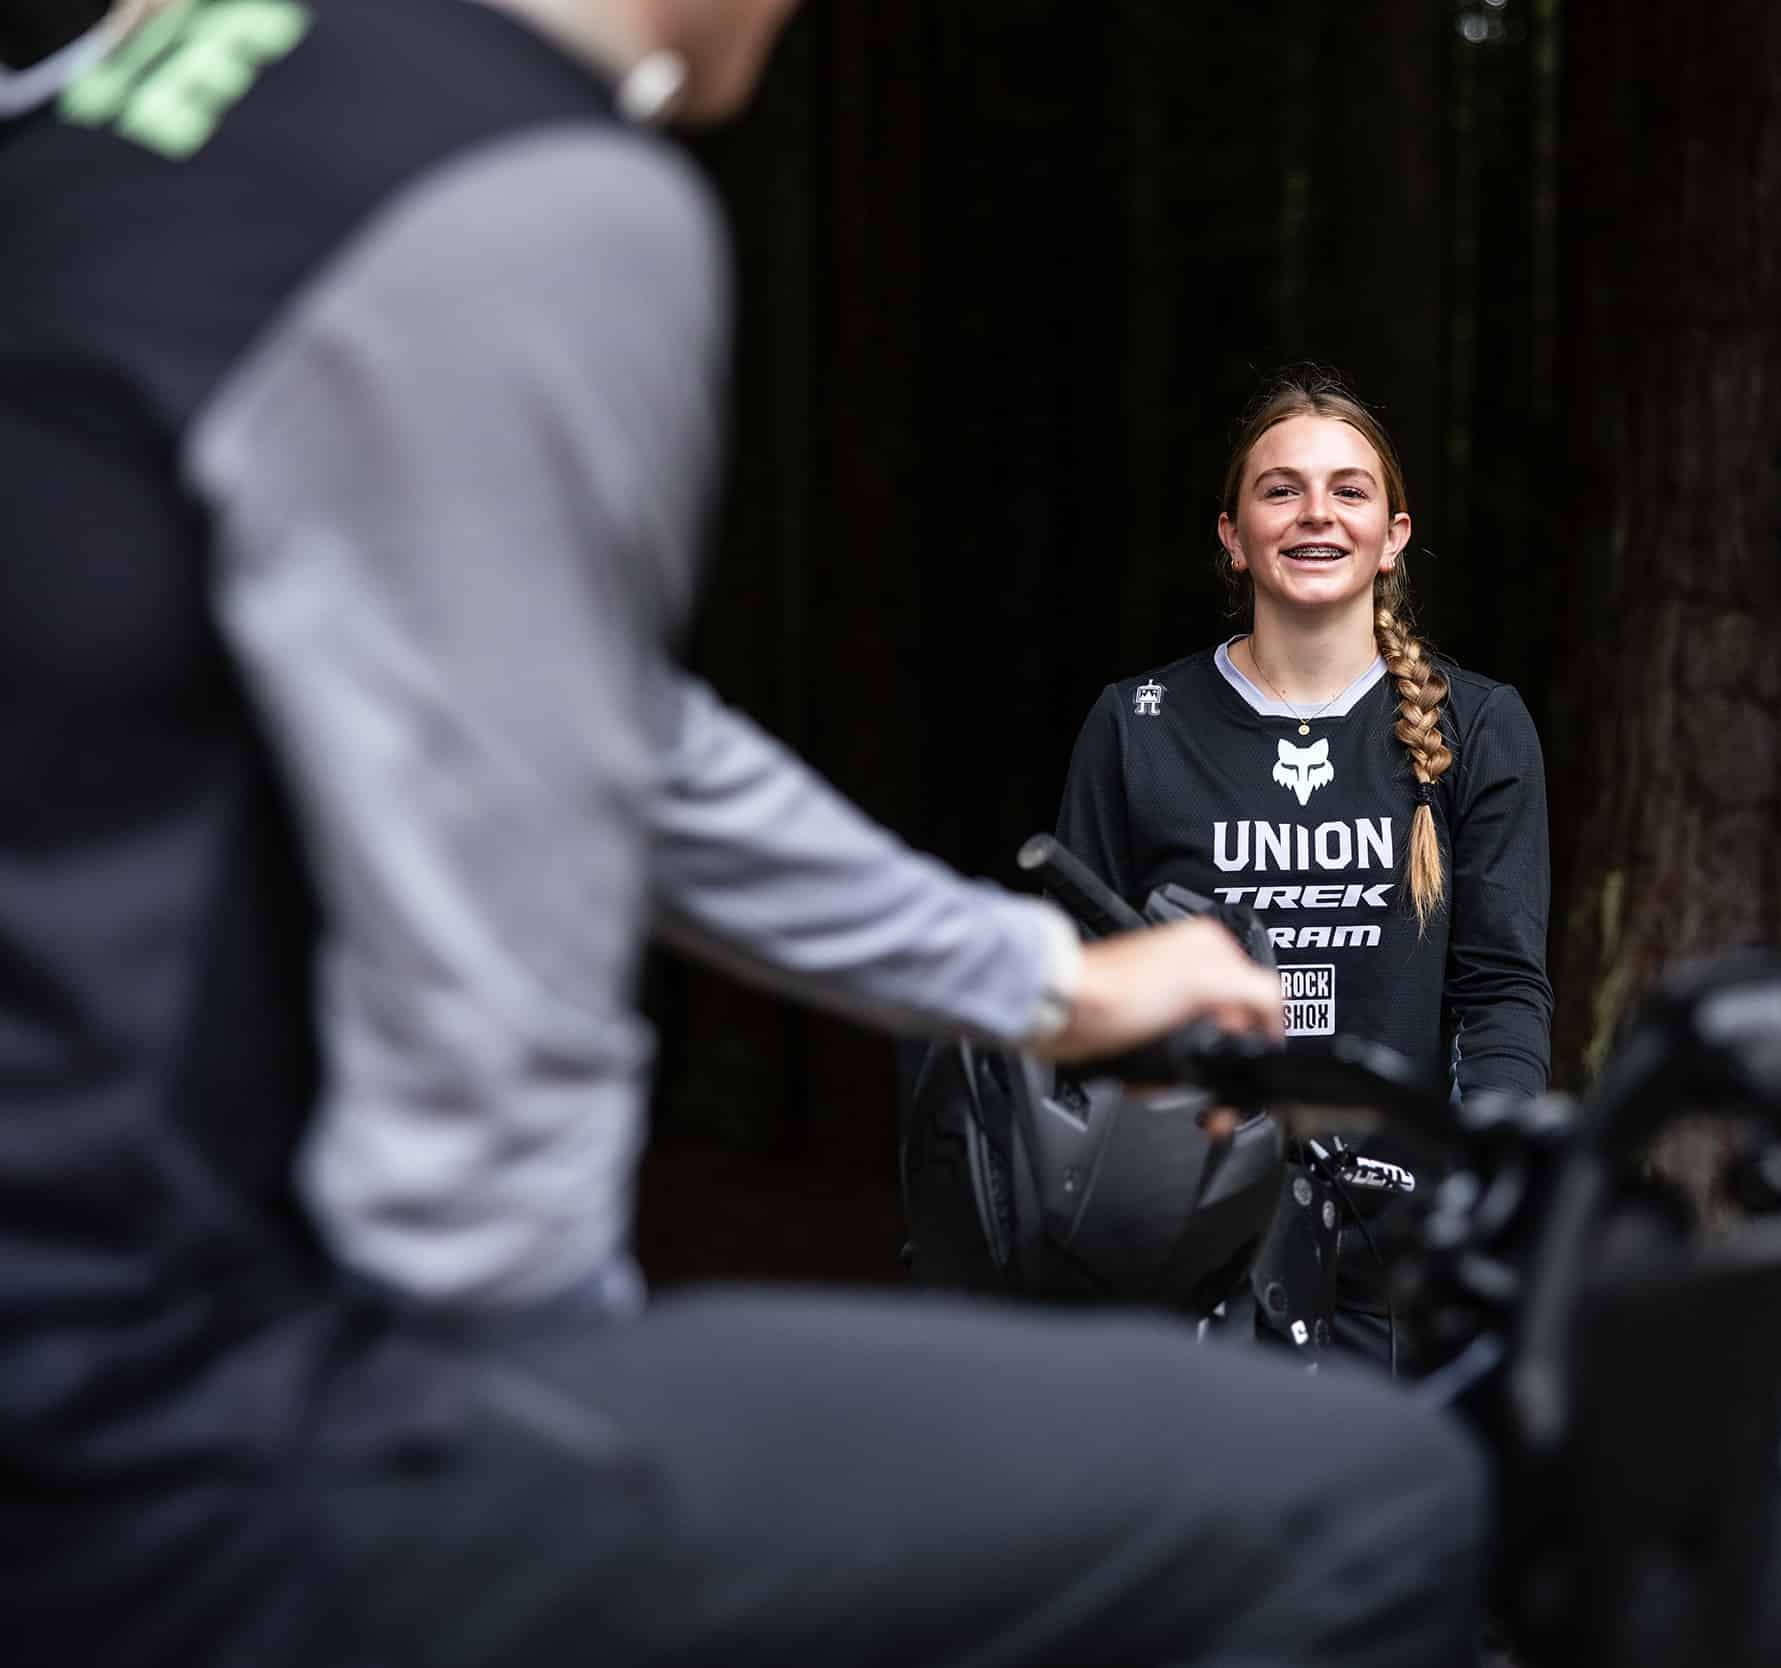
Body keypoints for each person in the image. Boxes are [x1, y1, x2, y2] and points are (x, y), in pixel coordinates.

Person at [0, 3, 1487, 1664]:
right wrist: (552, 1460)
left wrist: (1041, 980)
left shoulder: (163, 78)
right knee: (1375, 1493)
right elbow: (492, 990)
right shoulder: (532, 185)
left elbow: (583, 716)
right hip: (192, 1418)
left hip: (80, 1341)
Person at [1055, 370, 1554, 1368]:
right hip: (1185, 1241)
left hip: (1397, 1258)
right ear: (1233, 536)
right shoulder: (1137, 725)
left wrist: (1483, 1192)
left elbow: (1500, 993)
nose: (1315, 514)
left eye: (1347, 491)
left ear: (1393, 535)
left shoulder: (1480, 726)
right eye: (1280, 490)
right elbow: (1081, 984)